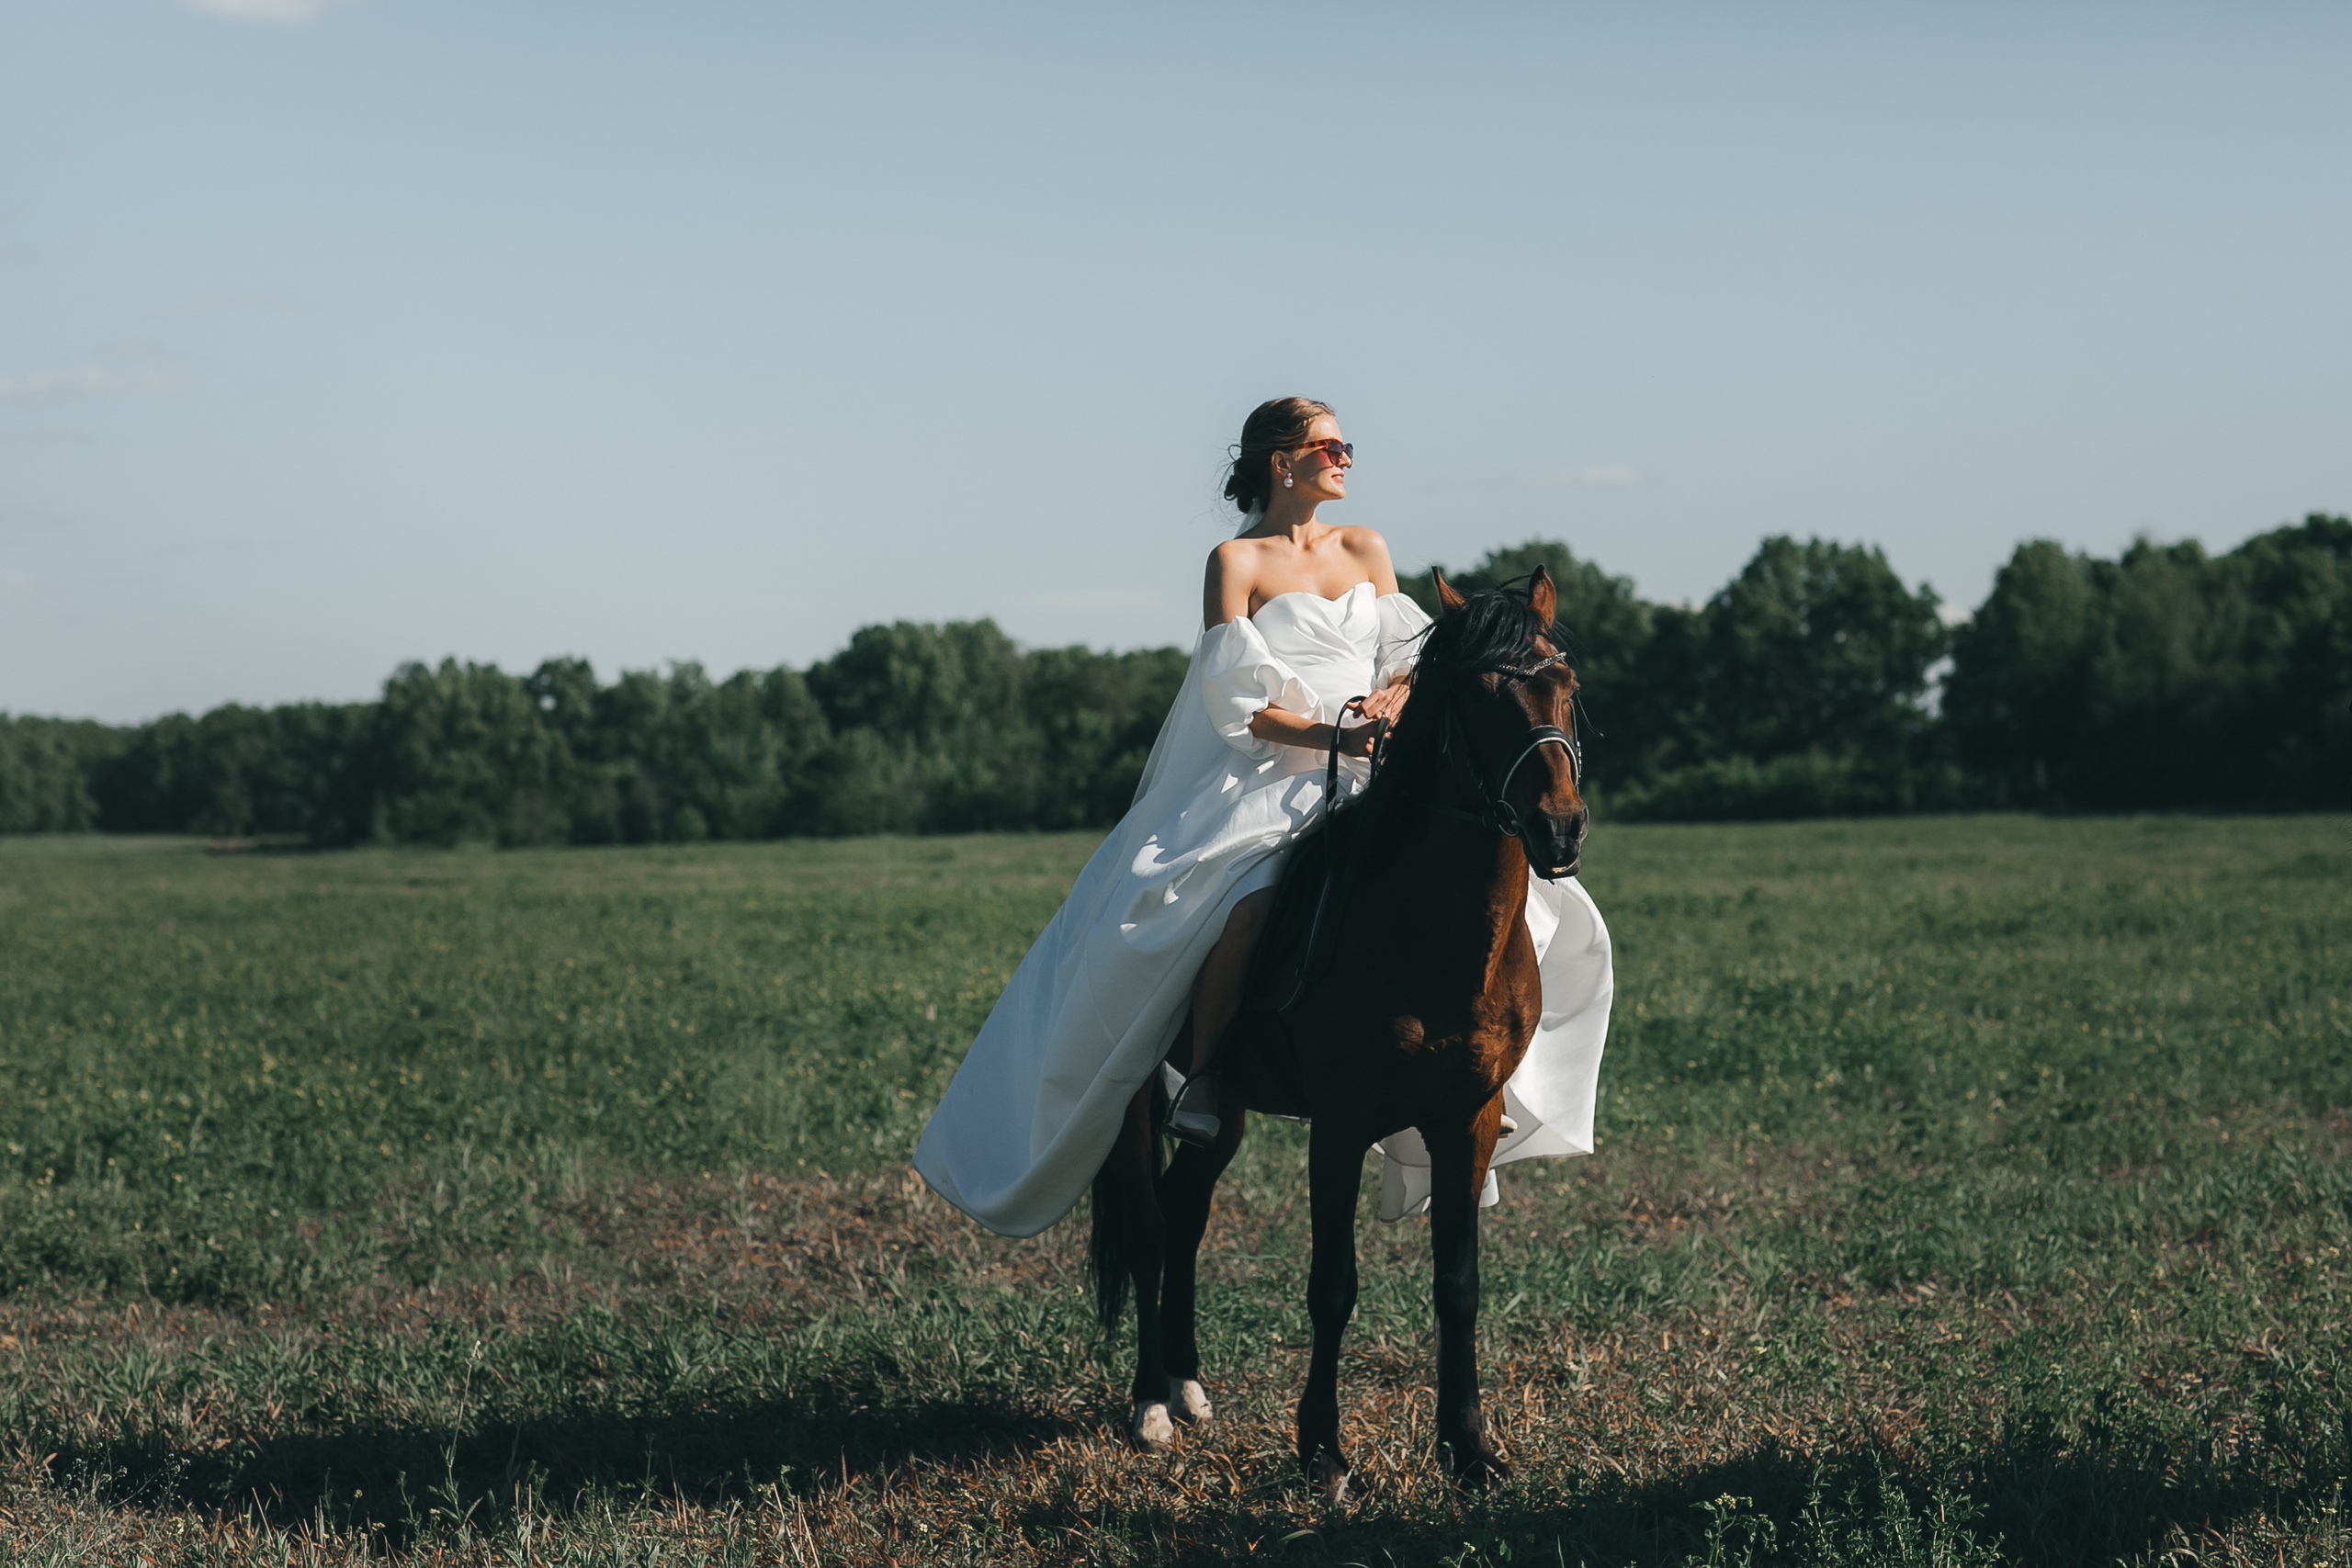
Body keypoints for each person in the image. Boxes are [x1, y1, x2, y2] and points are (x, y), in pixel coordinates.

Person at [913, 398, 1612, 1237]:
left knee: (1512, 900)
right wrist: (1337, 730)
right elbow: (1239, 706)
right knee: (1243, 907)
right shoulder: (1234, 561)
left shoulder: (1367, 548)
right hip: (1276, 772)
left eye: (1346, 445)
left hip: (1376, 771)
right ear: (1282, 461)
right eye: (1331, 446)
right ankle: (1205, 1076)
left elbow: (1403, 657)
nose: (1346, 458)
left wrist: (1394, 698)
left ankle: (1480, 1073)